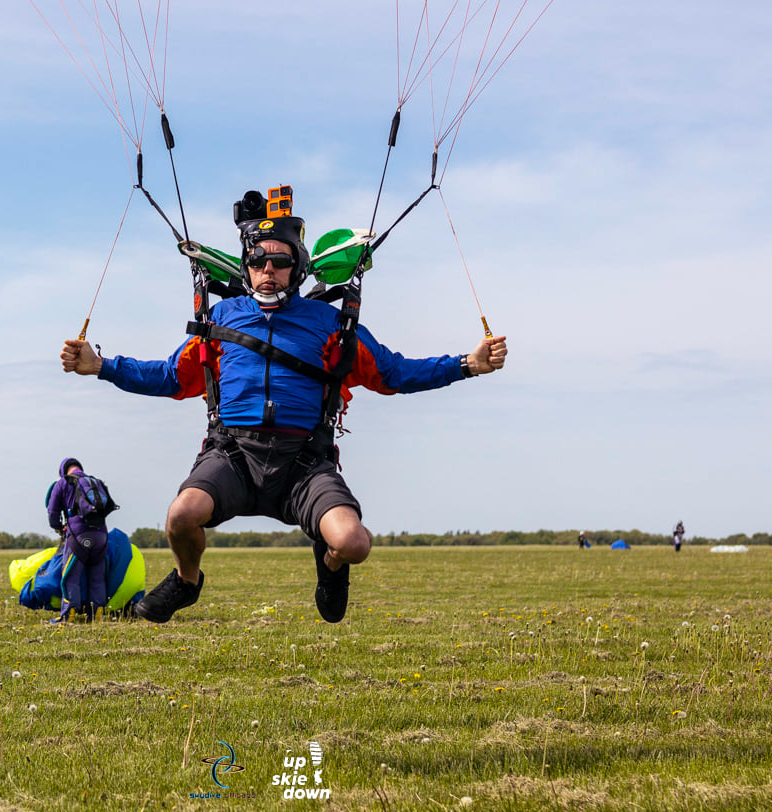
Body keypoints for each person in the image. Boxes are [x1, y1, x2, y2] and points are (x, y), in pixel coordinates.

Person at [60, 191, 507, 624]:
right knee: (180, 515)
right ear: (246, 267)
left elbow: (393, 373)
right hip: (232, 456)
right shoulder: (222, 320)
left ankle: (330, 567)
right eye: (258, 261)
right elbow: (170, 376)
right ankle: (186, 580)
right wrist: (101, 365)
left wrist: (467, 364)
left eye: (280, 261)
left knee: (354, 543)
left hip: (304, 463)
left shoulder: (331, 323)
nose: (268, 270)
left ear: (298, 267)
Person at [45, 457, 111, 624]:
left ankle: (69, 614)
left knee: (70, 576)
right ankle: (97, 614)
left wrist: (58, 527)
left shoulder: (63, 483)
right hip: (101, 535)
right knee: (97, 577)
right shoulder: (96, 482)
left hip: (78, 535)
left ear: (63, 471)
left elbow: (52, 511)